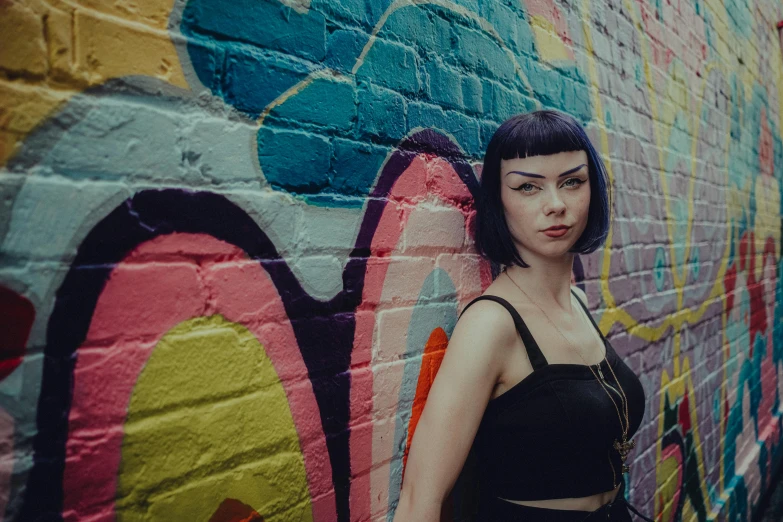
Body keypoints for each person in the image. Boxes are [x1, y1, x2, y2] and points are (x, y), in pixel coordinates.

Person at [391, 110, 654, 521]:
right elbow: (419, 499)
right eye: (528, 187)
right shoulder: (492, 325)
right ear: (499, 200)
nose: (555, 205)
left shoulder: (579, 304)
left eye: (572, 182)